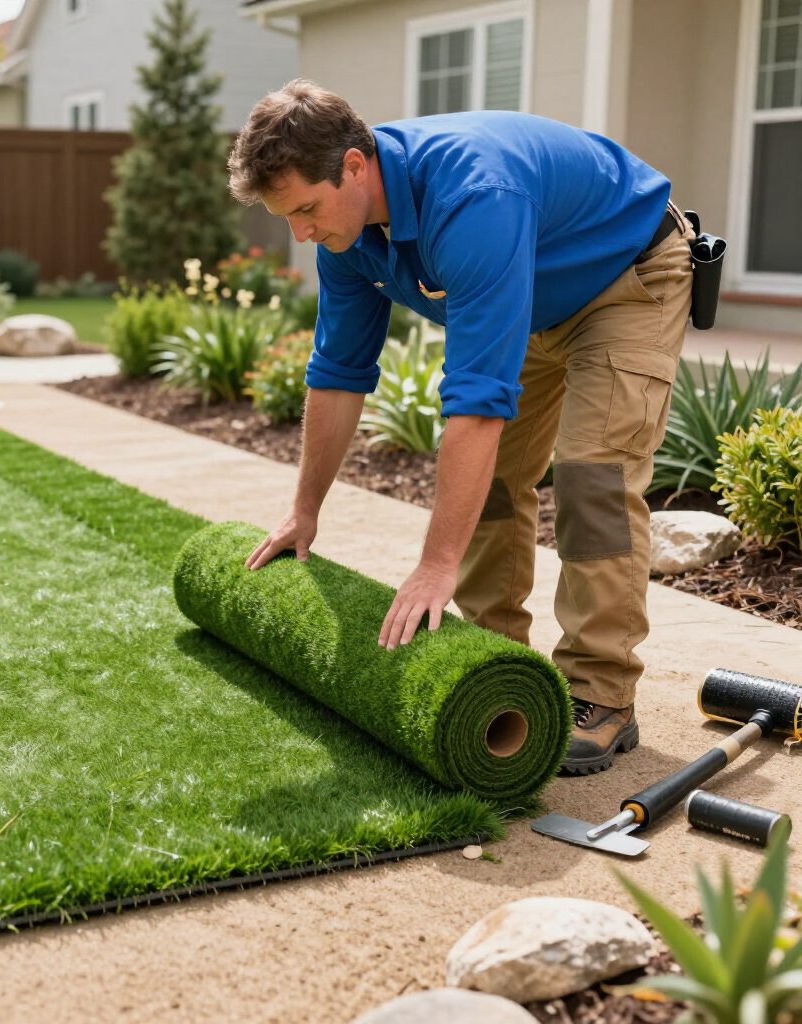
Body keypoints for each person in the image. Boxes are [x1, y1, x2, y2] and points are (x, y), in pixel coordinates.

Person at [227, 79, 694, 775]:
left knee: (592, 477)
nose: (301, 234)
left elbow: (476, 402)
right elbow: (337, 374)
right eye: (285, 217)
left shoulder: (473, 196)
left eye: (305, 210)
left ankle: (599, 691)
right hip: (531, 295)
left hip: (624, 279)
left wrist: (435, 565)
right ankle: (495, 659)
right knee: (498, 480)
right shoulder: (346, 233)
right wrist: (304, 511)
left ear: (355, 166)